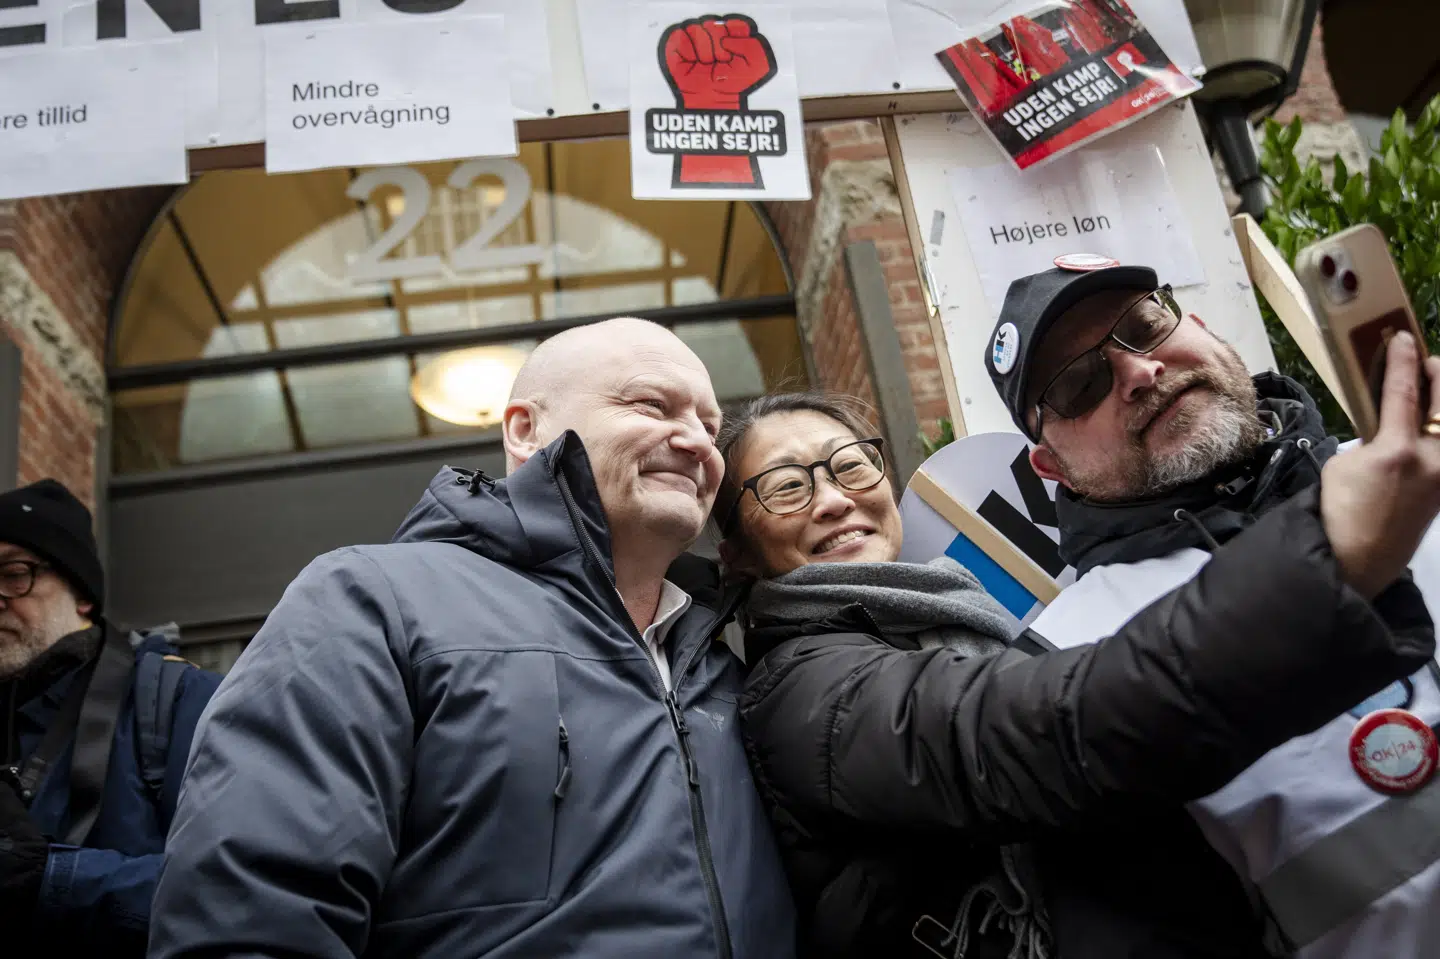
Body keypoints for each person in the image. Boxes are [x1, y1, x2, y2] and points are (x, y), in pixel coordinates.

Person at [721, 377, 1440, 958]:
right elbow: (1032, 732)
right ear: (740, 554)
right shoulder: (800, 689)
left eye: (850, 464)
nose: (836, 498)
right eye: (787, 486)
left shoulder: (949, 618)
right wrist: (1324, 563)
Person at [149, 317, 796, 959]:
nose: (696, 442)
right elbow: (252, 913)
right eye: (653, 405)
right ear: (524, 428)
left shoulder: (731, 654)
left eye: (710, 426)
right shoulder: (369, 600)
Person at [984, 260, 1440, 957]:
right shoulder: (1065, 664)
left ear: (1196, 324)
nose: (1139, 372)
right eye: (1079, 384)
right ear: (1053, 467)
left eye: (1144, 325)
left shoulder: (1410, 461)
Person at [0, 479, 220, 956]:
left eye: (14, 573)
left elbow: (240, 887)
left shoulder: (176, 700)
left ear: (82, 594)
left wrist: (48, 879)